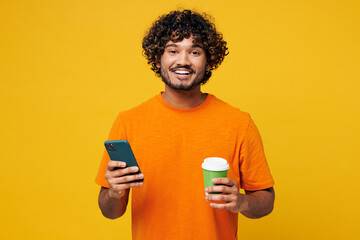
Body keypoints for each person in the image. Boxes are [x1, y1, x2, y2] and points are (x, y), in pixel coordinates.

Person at [96, 9, 275, 240]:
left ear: (209, 60)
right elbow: (110, 212)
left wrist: (241, 202)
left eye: (195, 51)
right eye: (172, 50)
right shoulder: (129, 122)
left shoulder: (239, 123)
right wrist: (114, 193)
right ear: (157, 57)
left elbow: (266, 201)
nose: (183, 60)